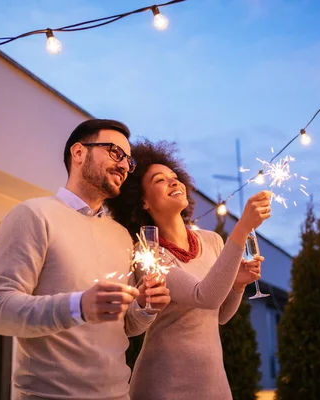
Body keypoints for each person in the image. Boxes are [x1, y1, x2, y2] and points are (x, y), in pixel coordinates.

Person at [0, 119, 171, 400]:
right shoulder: (33, 215)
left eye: (128, 161)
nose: (123, 165)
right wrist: (78, 306)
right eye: (114, 152)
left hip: (119, 394)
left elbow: (126, 327)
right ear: (79, 152)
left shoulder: (121, 235)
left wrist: (145, 307)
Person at [107, 139, 272, 400]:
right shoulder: (148, 253)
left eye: (174, 177)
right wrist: (242, 228)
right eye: (159, 180)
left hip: (214, 384)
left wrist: (238, 286)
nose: (174, 182)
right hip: (163, 384)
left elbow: (218, 315)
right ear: (143, 202)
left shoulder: (212, 241)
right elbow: (203, 296)